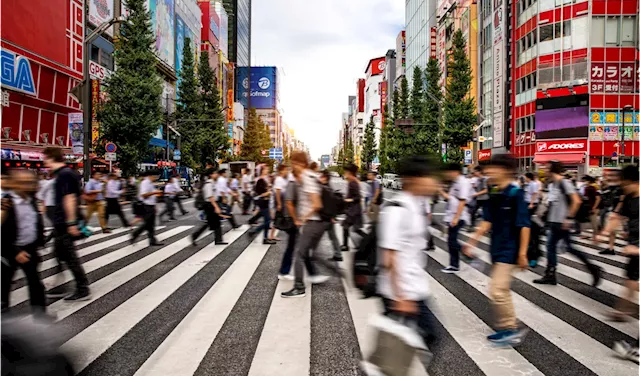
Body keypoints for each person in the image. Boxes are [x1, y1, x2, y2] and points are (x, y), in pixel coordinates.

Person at [463, 154, 530, 345]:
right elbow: (487, 221)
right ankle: (508, 328)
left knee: (498, 289)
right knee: (500, 289)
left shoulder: (516, 194)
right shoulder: (494, 192)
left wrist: (523, 253)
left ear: (505, 170)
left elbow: (524, 225)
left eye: (493, 168)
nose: (488, 172)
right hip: (497, 248)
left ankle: (510, 329)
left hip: (510, 250)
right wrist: (472, 242)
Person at [377, 155, 440, 346]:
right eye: (429, 177)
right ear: (414, 179)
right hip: (400, 292)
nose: (433, 182)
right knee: (425, 338)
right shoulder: (397, 209)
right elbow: (389, 257)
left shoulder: (417, 204)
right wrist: (400, 297)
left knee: (402, 345)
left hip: (414, 287)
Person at [281, 151, 342, 298]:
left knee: (300, 254)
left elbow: (317, 204)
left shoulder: (307, 178)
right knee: (310, 253)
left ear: (300, 163)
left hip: (314, 221)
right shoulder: (312, 176)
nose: (292, 166)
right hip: (319, 222)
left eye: (294, 163)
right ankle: (335, 271)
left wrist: (302, 218)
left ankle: (299, 287)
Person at [533, 161, 601, 286]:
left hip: (562, 222)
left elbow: (576, 201)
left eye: (547, 168)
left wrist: (569, 218)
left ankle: (593, 268)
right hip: (554, 222)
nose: (544, 170)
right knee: (552, 247)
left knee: (564, 248)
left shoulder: (564, 182)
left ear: (552, 169)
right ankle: (550, 273)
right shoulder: (553, 184)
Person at [599, 165, 640, 364]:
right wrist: (605, 233)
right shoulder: (629, 198)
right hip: (635, 245)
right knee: (631, 278)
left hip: (638, 248)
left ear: (634, 182)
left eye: (624, 184)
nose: (622, 187)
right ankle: (626, 310)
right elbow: (616, 216)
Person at [43, 147, 90, 301]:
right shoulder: (64, 174)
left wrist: (71, 223)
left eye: (45, 157)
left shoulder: (64, 174)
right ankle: (61, 286)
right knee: (60, 253)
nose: (44, 160)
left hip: (64, 223)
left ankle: (82, 288)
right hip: (61, 222)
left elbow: (69, 198)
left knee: (69, 256)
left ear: (50, 157)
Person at [0, 169, 47, 316]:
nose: (27, 185)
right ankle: (4, 322)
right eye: (22, 182)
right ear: (14, 184)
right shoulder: (5, 203)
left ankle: (40, 316)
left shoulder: (31, 199)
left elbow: (34, 222)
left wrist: (40, 240)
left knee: (36, 284)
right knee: (3, 287)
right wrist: (15, 251)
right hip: (9, 251)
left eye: (29, 182)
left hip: (30, 249)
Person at [439, 163, 472, 273]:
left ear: (455, 171)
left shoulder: (463, 182)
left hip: (459, 216)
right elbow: (452, 199)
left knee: (452, 241)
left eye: (448, 172)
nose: (447, 175)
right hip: (452, 215)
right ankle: (454, 265)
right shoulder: (455, 182)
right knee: (451, 241)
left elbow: (462, 201)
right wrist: (441, 191)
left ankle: (466, 253)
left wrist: (456, 218)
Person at [192, 169, 227, 246]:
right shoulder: (208, 184)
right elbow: (210, 197)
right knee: (213, 222)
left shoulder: (213, 183)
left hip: (211, 204)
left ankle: (218, 240)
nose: (217, 174)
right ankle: (195, 236)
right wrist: (216, 207)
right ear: (211, 175)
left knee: (213, 222)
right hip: (209, 205)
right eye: (215, 173)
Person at [131, 170, 163, 246]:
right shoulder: (145, 183)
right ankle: (135, 234)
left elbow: (151, 196)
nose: (156, 178)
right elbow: (144, 195)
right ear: (151, 176)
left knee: (151, 225)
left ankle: (152, 241)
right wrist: (155, 192)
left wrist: (155, 204)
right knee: (147, 224)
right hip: (146, 206)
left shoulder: (150, 183)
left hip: (151, 205)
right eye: (156, 176)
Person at [318, 170, 342, 261]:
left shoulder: (325, 189)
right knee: (332, 237)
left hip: (326, 218)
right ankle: (338, 254)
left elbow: (329, 204)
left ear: (325, 178)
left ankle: (309, 253)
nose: (320, 178)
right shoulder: (328, 187)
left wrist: (332, 217)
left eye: (321, 176)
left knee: (316, 236)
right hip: (329, 217)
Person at [599, 170, 624, 255]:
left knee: (627, 232)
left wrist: (616, 211)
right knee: (613, 231)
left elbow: (622, 200)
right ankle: (611, 248)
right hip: (614, 211)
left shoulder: (622, 187)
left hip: (622, 213)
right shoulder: (613, 187)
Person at [249, 166, 276, 245]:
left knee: (266, 219)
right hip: (262, 201)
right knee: (268, 221)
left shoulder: (266, 179)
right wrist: (268, 192)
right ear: (262, 170)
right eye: (266, 169)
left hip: (266, 201)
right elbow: (259, 192)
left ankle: (265, 238)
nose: (267, 170)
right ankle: (254, 232)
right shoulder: (260, 179)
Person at [342, 164, 364, 252]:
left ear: (350, 173)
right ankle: (345, 245)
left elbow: (358, 197)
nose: (345, 173)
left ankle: (346, 245)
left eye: (346, 172)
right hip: (353, 209)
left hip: (353, 210)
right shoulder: (352, 181)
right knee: (354, 228)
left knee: (347, 227)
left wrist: (348, 200)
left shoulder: (353, 182)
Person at [524, 172, 541, 267]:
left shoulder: (534, 184)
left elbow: (535, 194)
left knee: (533, 235)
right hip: (527, 205)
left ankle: (534, 256)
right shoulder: (526, 185)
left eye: (525, 177)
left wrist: (531, 203)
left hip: (531, 204)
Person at [37, 171, 57, 243]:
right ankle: (46, 239)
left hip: (55, 206)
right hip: (51, 206)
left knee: (58, 225)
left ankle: (46, 238)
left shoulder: (55, 182)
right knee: (58, 225)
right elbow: (40, 194)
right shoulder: (50, 183)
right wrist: (43, 205)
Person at [579, 175, 601, 242]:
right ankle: (592, 235)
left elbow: (598, 198)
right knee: (590, 221)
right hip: (589, 207)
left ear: (588, 181)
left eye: (584, 181)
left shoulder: (593, 187)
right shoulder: (587, 187)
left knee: (594, 222)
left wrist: (594, 207)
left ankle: (596, 236)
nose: (583, 182)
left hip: (593, 207)